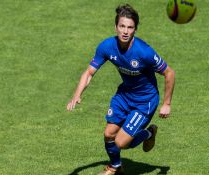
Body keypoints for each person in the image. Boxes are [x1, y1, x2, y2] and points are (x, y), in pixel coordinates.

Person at [67, 4, 175, 175]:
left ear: (135, 29)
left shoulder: (144, 52)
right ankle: (115, 167)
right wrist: (77, 94)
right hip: (124, 95)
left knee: (122, 143)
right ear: (115, 27)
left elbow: (169, 73)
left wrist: (167, 103)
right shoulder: (107, 47)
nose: (125, 31)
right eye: (122, 26)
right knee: (109, 134)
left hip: (144, 101)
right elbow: (89, 72)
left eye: (130, 27)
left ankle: (149, 132)